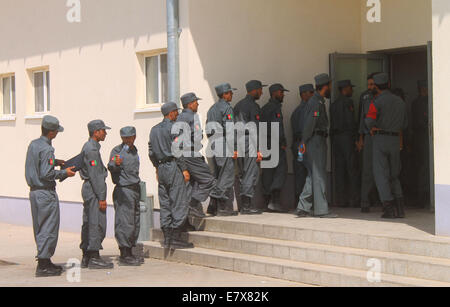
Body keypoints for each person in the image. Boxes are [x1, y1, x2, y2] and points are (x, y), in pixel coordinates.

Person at [25, 115, 77, 277]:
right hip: (45, 193)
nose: (56, 134)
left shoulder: (34, 144)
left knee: (40, 227)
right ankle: (43, 265)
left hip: (34, 192)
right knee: (49, 227)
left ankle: (45, 260)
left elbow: (39, 164)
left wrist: (55, 162)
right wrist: (65, 173)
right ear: (52, 132)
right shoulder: (47, 149)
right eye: (56, 132)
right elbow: (46, 174)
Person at [149, 102, 194, 249]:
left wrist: (156, 167)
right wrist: (184, 169)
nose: (177, 115)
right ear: (171, 113)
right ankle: (175, 236)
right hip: (173, 166)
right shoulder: (174, 128)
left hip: (161, 168)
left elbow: (151, 151)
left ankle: (167, 236)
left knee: (165, 202)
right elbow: (177, 150)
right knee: (179, 201)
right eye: (176, 112)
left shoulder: (154, 130)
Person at [365, 73, 408, 219]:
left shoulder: (375, 103)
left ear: (376, 86)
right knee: (394, 175)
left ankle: (389, 208)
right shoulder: (400, 102)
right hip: (395, 140)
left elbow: (369, 122)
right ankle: (400, 209)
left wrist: (374, 127)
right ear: (388, 84)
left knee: (381, 175)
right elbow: (405, 124)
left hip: (380, 140)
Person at [296, 74, 337, 218]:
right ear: (325, 86)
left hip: (314, 141)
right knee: (319, 175)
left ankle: (303, 206)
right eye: (330, 86)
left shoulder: (317, 101)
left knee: (313, 174)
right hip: (315, 141)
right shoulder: (316, 103)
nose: (331, 89)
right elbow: (309, 124)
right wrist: (304, 142)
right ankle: (321, 210)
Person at [175, 92, 217, 221]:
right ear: (190, 104)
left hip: (188, 154)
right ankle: (192, 205)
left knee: (193, 184)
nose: (198, 104)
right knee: (209, 181)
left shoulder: (182, 117)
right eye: (196, 102)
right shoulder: (190, 117)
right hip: (191, 154)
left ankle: (190, 212)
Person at [79, 120, 114, 269]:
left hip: (90, 187)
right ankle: (94, 256)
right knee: (96, 222)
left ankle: (86, 256)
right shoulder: (92, 149)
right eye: (103, 130)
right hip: (94, 189)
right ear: (96, 132)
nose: (105, 133)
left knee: (88, 221)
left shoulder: (89, 147)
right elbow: (95, 175)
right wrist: (101, 197)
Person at [108, 126, 142, 266]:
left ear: (134, 137)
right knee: (124, 222)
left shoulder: (134, 150)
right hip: (124, 189)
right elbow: (111, 166)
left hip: (134, 188)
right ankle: (124, 253)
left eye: (130, 137)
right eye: (125, 138)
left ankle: (130, 250)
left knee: (134, 220)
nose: (128, 140)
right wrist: (115, 164)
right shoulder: (117, 151)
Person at [206, 83, 239, 216]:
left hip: (214, 143)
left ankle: (213, 206)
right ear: (225, 94)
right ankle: (222, 208)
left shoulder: (212, 109)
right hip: (224, 144)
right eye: (230, 93)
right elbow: (230, 130)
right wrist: (234, 148)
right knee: (227, 175)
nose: (232, 94)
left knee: (218, 175)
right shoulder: (226, 108)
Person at [234, 80, 266, 215]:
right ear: (254, 90)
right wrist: (258, 149)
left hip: (239, 140)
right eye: (260, 90)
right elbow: (254, 128)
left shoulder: (238, 105)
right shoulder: (253, 106)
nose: (261, 92)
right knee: (251, 173)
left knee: (243, 173)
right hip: (249, 141)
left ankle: (245, 205)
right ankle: (247, 206)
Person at [260, 83, 290, 212]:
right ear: (274, 93)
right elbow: (277, 127)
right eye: (281, 92)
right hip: (275, 143)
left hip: (265, 143)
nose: (283, 95)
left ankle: (267, 201)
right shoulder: (275, 108)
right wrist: (282, 142)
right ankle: (275, 201)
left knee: (267, 171)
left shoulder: (264, 108)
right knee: (281, 170)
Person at [330, 80, 359, 208]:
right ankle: (354, 199)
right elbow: (350, 121)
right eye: (350, 88)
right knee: (352, 169)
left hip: (336, 138)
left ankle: (341, 200)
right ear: (345, 89)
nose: (352, 91)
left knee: (339, 170)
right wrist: (356, 138)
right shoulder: (348, 102)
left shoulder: (333, 104)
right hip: (347, 137)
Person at [357, 73, 380, 213]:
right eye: (368, 84)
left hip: (381, 136)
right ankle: (364, 201)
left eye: (372, 84)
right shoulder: (365, 97)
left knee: (384, 170)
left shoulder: (384, 98)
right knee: (367, 171)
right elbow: (361, 118)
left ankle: (384, 200)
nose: (370, 87)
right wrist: (360, 139)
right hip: (368, 137)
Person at [291, 84, 315, 209]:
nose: (313, 94)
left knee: (300, 172)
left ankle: (298, 202)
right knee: (309, 172)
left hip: (298, 145)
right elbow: (305, 130)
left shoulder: (296, 110)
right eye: (311, 92)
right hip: (303, 145)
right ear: (304, 94)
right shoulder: (306, 110)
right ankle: (304, 204)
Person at [411, 80, 430, 208]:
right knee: (424, 166)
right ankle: (422, 195)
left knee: (422, 166)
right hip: (422, 137)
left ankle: (421, 194)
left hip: (420, 137)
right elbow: (421, 122)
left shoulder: (417, 102)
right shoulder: (421, 103)